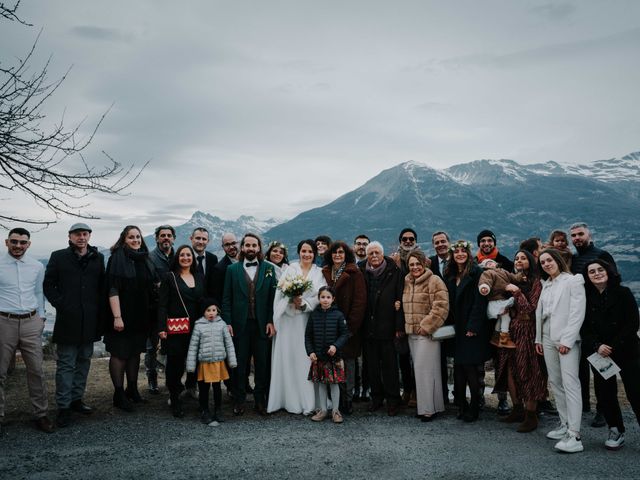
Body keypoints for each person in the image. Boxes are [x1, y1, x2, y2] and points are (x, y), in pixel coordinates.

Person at [44, 223, 104, 428]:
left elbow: (101, 287)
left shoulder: (98, 257)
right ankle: (63, 406)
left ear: (89, 236)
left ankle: (77, 400)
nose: (81, 237)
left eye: (85, 234)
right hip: (67, 319)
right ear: (70, 237)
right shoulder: (58, 256)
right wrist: (61, 304)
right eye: (77, 234)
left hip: (89, 319)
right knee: (66, 364)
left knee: (84, 361)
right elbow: (48, 285)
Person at [581, 259, 640, 450]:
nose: (597, 273)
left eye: (600, 270)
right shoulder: (586, 297)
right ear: (587, 276)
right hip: (599, 353)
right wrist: (597, 345)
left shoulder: (623, 293)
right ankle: (616, 429)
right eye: (592, 272)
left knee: (636, 391)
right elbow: (583, 327)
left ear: (608, 271)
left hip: (627, 351)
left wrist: (611, 346)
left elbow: (632, 323)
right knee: (605, 393)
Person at [0, 227, 54, 433]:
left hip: (31, 321)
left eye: (23, 242)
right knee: (1, 372)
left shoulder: (36, 266)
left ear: (28, 244)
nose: (18, 246)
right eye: (14, 242)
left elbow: (39, 292)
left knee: (37, 370)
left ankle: (41, 414)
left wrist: (41, 317)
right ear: (7, 242)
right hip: (4, 321)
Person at [535, 248, 586, 453]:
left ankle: (575, 434)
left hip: (566, 338)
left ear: (557, 260)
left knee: (570, 383)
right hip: (547, 336)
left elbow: (577, 312)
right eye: (543, 262)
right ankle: (564, 425)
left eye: (549, 260)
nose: (546, 264)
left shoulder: (573, 280)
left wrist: (568, 339)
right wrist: (538, 338)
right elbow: (541, 314)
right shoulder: (546, 284)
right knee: (556, 382)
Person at [268, 239, 326, 415]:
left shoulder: (319, 272)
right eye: (303, 251)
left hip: (307, 320)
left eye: (310, 251)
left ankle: (308, 399)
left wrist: (304, 304)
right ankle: (288, 398)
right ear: (299, 252)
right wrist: (291, 299)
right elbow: (280, 292)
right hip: (288, 320)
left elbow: (321, 294)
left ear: (314, 254)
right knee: (289, 356)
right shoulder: (290, 269)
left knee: (305, 358)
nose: (306, 254)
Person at [104, 225, 158, 412]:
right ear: (123, 240)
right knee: (120, 353)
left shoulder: (144, 258)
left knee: (135, 352)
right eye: (131, 237)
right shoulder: (116, 258)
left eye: (138, 237)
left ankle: (132, 389)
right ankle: (118, 394)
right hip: (121, 314)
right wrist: (117, 317)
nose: (135, 240)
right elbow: (112, 289)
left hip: (140, 313)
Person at [222, 233, 277, 416]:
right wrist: (228, 322)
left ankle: (260, 399)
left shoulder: (269, 269)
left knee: (262, 363)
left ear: (259, 248)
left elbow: (272, 299)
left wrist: (270, 320)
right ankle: (239, 399)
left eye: (254, 245)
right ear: (242, 248)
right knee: (239, 363)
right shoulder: (232, 270)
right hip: (239, 325)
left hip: (262, 325)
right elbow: (226, 299)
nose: (251, 248)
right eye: (247, 245)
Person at [493, 250, 547, 433]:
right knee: (509, 368)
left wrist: (516, 293)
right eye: (517, 258)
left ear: (531, 262)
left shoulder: (537, 283)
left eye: (523, 258)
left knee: (528, 370)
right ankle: (516, 408)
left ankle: (531, 414)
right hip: (510, 330)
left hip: (528, 329)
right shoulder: (513, 280)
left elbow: (530, 307)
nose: (519, 261)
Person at [569, 222, 617, 428]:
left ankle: (604, 409)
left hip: (600, 321)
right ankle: (584, 405)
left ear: (589, 235)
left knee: (602, 368)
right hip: (581, 320)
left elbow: (613, 282)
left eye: (580, 234)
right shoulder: (574, 259)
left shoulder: (602, 255)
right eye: (574, 235)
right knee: (580, 366)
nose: (577, 238)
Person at [157, 245, 206, 418]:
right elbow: (162, 304)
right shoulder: (169, 277)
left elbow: (203, 302)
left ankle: (192, 390)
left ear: (193, 258)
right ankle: (174, 396)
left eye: (189, 255)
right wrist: (161, 327)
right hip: (177, 326)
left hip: (198, 326)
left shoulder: (200, 277)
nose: (186, 258)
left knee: (197, 360)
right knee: (176, 363)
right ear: (177, 257)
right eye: (182, 255)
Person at [444, 240, 489, 423]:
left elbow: (480, 302)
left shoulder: (477, 272)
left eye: (463, 251)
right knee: (459, 368)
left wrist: (473, 326)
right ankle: (461, 405)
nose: (460, 254)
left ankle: (475, 406)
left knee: (471, 368)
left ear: (469, 254)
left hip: (471, 327)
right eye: (457, 252)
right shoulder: (451, 274)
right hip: (457, 327)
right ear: (453, 256)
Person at [402, 250, 449, 421]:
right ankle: (430, 406)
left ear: (424, 263)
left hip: (426, 333)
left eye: (417, 263)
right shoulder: (407, 281)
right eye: (411, 264)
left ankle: (428, 409)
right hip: (411, 333)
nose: (415, 267)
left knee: (426, 371)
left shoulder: (434, 280)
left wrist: (427, 326)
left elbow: (441, 306)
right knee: (421, 371)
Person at [321, 241, 366, 414]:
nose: (337, 255)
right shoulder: (325, 271)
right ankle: (333, 402)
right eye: (334, 252)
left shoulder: (355, 273)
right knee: (330, 364)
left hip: (347, 326)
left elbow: (359, 302)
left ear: (346, 254)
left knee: (347, 365)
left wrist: (350, 326)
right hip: (328, 325)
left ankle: (346, 401)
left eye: (341, 252)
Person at [359, 241, 403, 416]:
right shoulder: (362, 271)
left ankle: (393, 400)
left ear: (383, 254)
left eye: (377, 253)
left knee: (390, 366)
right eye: (371, 254)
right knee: (372, 367)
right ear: (367, 256)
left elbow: (400, 298)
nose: (374, 256)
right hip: (368, 328)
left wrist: (399, 326)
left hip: (388, 326)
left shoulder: (395, 272)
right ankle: (376, 398)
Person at [186, 298, 237, 426]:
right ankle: (204, 411)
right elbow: (193, 347)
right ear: (204, 312)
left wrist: (232, 361)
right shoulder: (198, 326)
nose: (211, 313)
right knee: (204, 389)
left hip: (218, 362)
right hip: (205, 363)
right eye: (208, 310)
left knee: (217, 388)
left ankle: (218, 410)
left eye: (214, 310)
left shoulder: (222, 324)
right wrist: (191, 366)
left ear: (217, 311)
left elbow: (229, 344)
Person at [305, 287, 350, 423]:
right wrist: (310, 351)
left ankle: (336, 411)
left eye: (328, 297)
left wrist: (335, 346)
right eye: (323, 297)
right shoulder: (313, 315)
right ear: (319, 298)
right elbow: (308, 336)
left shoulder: (338, 315)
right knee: (322, 383)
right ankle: (323, 410)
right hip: (319, 356)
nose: (325, 300)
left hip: (333, 356)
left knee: (334, 383)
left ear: (333, 299)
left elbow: (344, 334)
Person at [146, 224, 175, 395]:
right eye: (162, 235)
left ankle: (171, 380)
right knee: (151, 347)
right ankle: (152, 378)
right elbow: (148, 282)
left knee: (171, 347)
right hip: (153, 309)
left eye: (169, 235)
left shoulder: (178, 256)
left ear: (173, 238)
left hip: (172, 309)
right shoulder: (149, 258)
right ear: (157, 238)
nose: (166, 238)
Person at [477, 258, 524, 348]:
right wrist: (484, 287)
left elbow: (513, 278)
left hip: (502, 299)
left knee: (501, 318)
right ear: (484, 267)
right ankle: (504, 338)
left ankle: (496, 336)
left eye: (491, 262)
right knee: (506, 317)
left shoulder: (504, 271)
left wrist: (521, 274)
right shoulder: (487, 273)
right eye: (487, 263)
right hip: (496, 301)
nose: (490, 264)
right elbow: (485, 281)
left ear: (496, 264)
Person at [429, 231, 452, 405]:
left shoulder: (459, 260)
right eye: (437, 242)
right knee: (439, 360)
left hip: (456, 318)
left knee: (460, 360)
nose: (440, 244)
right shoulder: (430, 263)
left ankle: (460, 396)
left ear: (448, 243)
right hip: (438, 319)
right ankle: (442, 396)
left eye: (443, 241)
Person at [190, 227, 218, 296]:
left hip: (208, 302)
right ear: (191, 239)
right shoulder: (185, 258)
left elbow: (214, 284)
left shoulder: (213, 259)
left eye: (204, 239)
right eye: (198, 238)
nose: (201, 242)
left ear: (208, 241)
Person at [212, 232, 239, 303]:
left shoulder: (247, 261)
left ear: (238, 243)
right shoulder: (219, 268)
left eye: (233, 243)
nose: (231, 247)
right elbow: (219, 295)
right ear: (223, 247)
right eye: (227, 245)